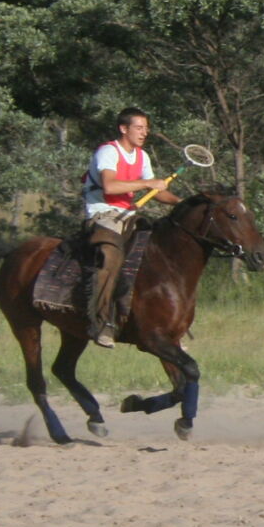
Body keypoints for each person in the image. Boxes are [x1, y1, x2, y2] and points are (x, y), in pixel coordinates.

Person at [81, 107, 178, 348]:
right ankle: (101, 324)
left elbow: (158, 191)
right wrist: (147, 183)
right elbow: (110, 187)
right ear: (123, 129)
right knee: (111, 259)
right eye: (139, 127)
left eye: (146, 128)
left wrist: (182, 202)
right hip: (103, 214)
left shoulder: (142, 156)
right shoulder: (108, 152)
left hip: (129, 216)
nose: (145, 132)